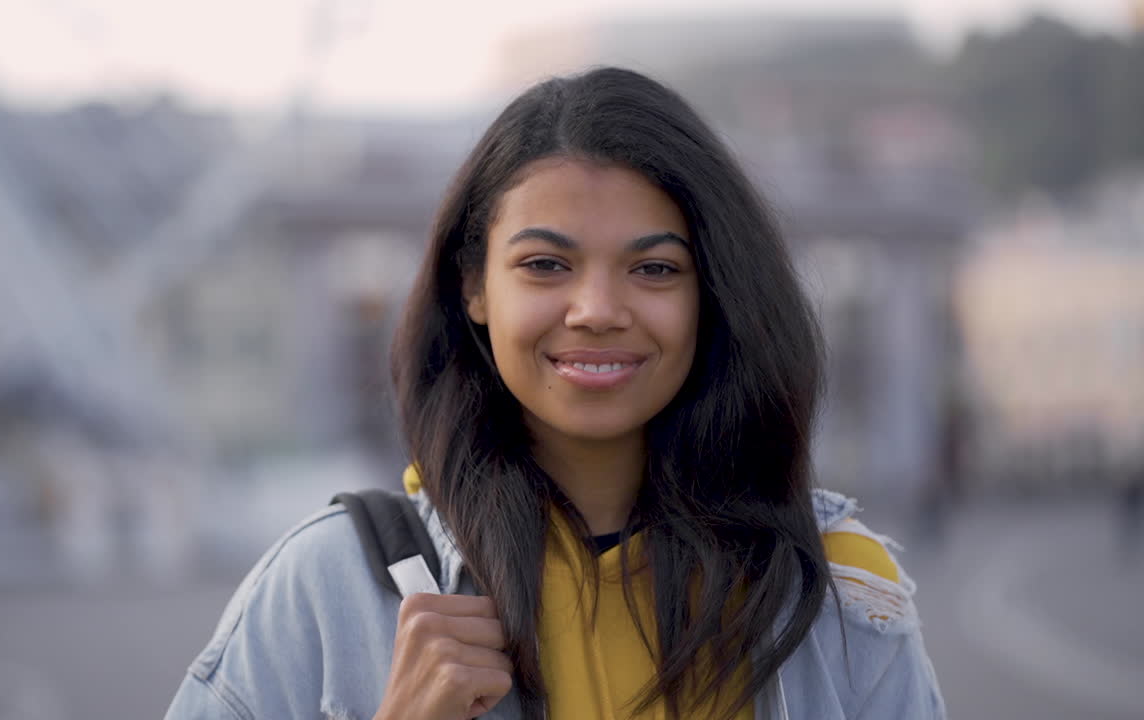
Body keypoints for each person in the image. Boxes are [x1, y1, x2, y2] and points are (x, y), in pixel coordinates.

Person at [163, 67, 945, 720]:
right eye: (545, 265)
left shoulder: (839, 599)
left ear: (713, 294)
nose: (597, 310)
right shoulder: (324, 589)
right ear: (473, 286)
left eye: (655, 269)